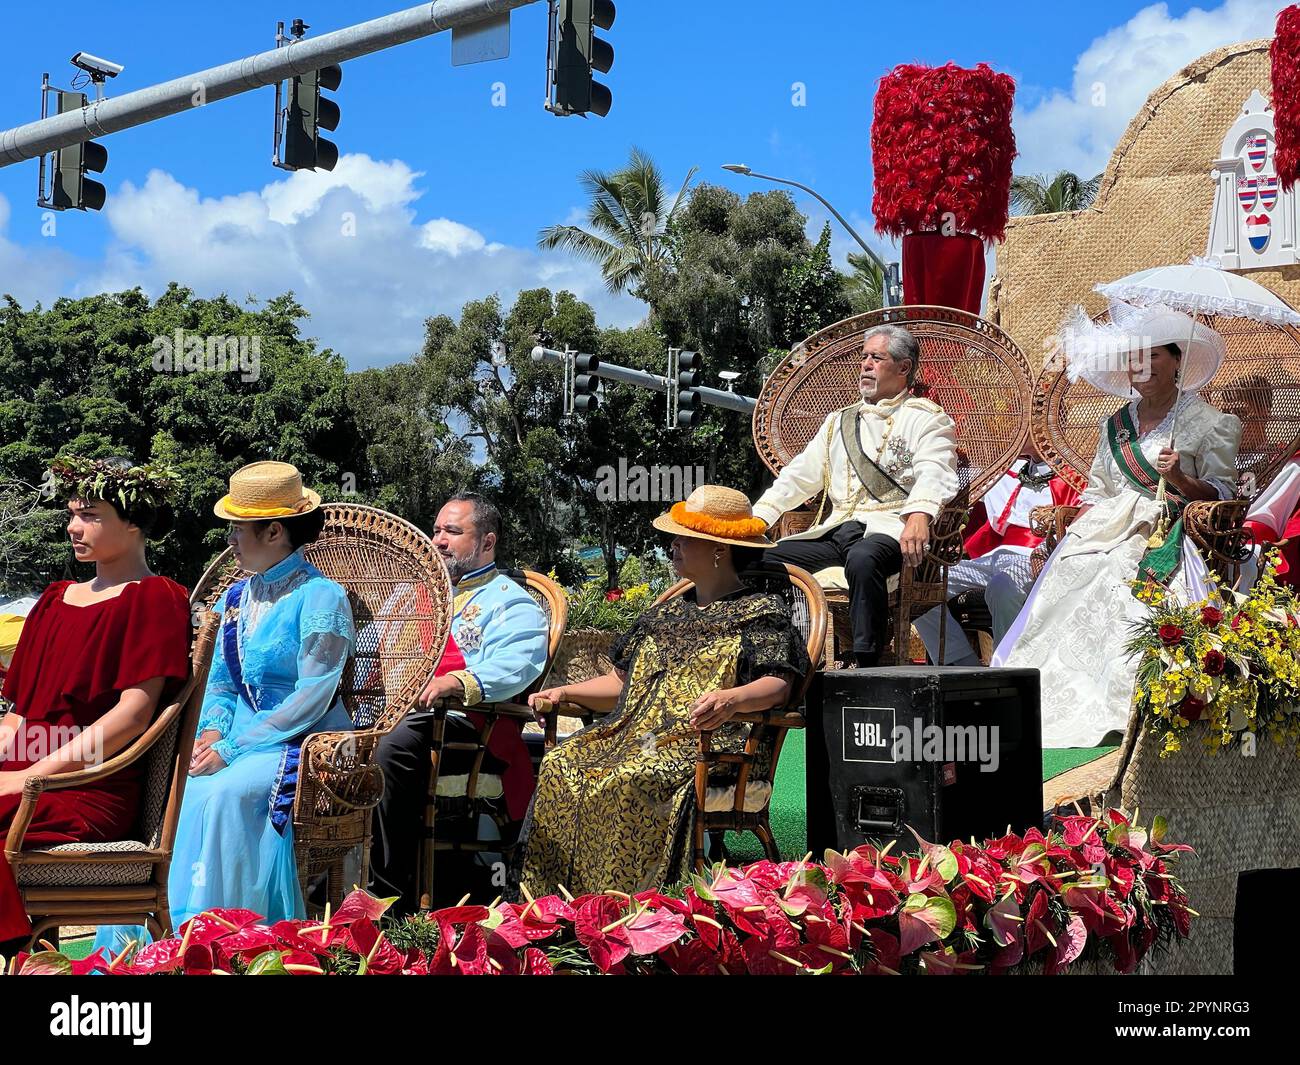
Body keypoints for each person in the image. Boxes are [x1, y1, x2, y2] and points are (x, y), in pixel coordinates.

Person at [95, 461, 355, 955]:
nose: (230, 539)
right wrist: (211, 732)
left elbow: (312, 694)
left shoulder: (321, 596)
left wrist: (234, 747)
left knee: (223, 795)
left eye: (238, 528)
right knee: (168, 787)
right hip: (236, 736)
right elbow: (219, 683)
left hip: (300, 740)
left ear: (275, 530)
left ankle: (221, 941)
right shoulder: (237, 596)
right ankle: (148, 942)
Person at [516, 485, 809, 897]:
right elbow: (621, 683)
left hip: (712, 742)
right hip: (638, 736)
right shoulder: (663, 614)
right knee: (563, 763)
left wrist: (731, 699)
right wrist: (565, 692)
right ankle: (556, 902)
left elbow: (779, 685)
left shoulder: (761, 613)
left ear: (718, 549)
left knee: (632, 777)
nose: (672, 546)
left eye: (683, 538)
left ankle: (633, 906)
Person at [993, 305, 1242, 747]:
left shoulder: (1213, 423)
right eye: (1133, 357)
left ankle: (1124, 700)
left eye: (1154, 356)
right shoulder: (1116, 425)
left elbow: (1224, 499)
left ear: (1177, 360)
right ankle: (1045, 696)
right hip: (1109, 525)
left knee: (1118, 576)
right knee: (1072, 566)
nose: (1141, 366)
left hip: (1172, 530)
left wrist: (1181, 478)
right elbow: (1097, 492)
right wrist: (1082, 529)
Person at [1, 456, 190, 950]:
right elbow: (17, 715)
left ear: (134, 523)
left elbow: (131, 717)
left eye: (90, 515)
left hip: (89, 783)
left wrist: (32, 776)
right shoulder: (53, 598)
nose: (72, 526)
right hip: (31, 762)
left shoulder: (156, 597)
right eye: (71, 513)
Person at [370, 493, 548, 914]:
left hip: (468, 726)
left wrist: (457, 679)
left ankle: (387, 900)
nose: (438, 540)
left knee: (390, 749)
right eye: (436, 530)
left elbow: (518, 663)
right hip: (402, 716)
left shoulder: (510, 601)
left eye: (452, 531)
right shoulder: (409, 596)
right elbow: (372, 650)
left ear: (487, 542)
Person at [753, 325, 959, 665]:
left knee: (863, 559)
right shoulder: (838, 422)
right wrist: (759, 518)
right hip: (836, 529)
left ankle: (868, 661)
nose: (865, 364)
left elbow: (936, 470)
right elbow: (799, 476)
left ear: (904, 367)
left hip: (891, 529)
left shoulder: (926, 420)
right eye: (863, 357)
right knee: (759, 561)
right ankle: (782, 658)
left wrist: (920, 513)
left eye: (876, 358)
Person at [913, 445, 1080, 665]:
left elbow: (1078, 521)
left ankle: (1008, 667)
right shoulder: (1009, 469)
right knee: (921, 579)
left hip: (1034, 557)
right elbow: (968, 485)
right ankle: (960, 663)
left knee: (1003, 586)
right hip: (992, 557)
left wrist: (1048, 548)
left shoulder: (1074, 474)